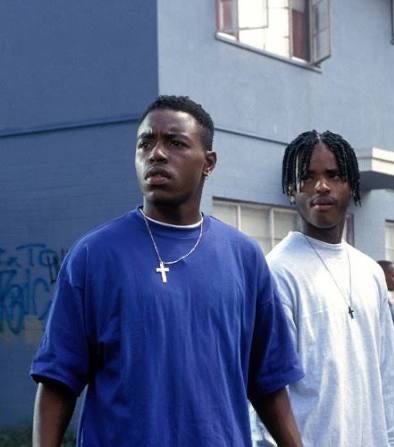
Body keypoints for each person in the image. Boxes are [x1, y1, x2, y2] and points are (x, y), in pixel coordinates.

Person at [30, 95, 304, 446]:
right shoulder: (93, 255)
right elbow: (57, 382)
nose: (156, 154)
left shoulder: (244, 258)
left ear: (208, 162)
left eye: (175, 143)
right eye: (145, 143)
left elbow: (268, 382)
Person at [254, 130, 394, 446]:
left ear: (351, 184)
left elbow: (389, 375)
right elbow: (266, 391)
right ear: (291, 189)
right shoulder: (276, 273)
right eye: (307, 177)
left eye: (334, 175)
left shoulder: (370, 272)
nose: (321, 186)